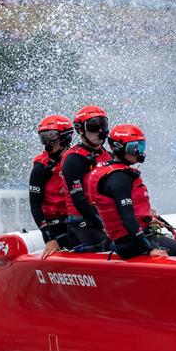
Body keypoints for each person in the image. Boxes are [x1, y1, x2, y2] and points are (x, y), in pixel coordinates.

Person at [87, 124, 176, 259]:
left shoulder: (118, 172)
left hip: (133, 238)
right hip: (131, 244)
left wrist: (147, 220)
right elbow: (127, 218)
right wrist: (149, 249)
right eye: (134, 147)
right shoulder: (118, 178)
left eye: (141, 146)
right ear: (119, 147)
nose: (139, 152)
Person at [59, 105, 112, 253]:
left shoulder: (109, 156)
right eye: (94, 126)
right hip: (82, 223)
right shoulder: (73, 159)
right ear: (80, 129)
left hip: (105, 219)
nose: (100, 131)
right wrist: (102, 224)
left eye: (103, 124)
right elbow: (79, 199)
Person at [29, 114, 73, 259]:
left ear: (66, 137)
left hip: (79, 222)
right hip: (57, 227)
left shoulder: (78, 160)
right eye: (43, 137)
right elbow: (35, 206)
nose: (47, 142)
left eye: (51, 136)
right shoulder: (41, 168)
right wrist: (50, 238)